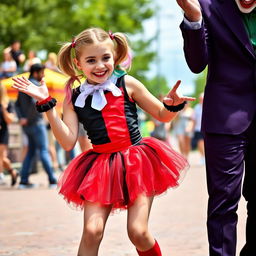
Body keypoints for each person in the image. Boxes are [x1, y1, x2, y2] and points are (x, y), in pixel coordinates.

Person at [12, 27, 195, 256]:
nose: (100, 66)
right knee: (92, 231)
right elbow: (68, 142)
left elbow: (162, 115)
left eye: (105, 58)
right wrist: (47, 105)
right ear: (78, 63)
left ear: (114, 56)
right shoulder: (74, 97)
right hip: (101, 167)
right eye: (91, 60)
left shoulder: (128, 83)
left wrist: (172, 105)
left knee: (138, 232)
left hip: (137, 161)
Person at [176, 0, 256, 255]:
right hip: (225, 118)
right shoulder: (208, 6)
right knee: (223, 203)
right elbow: (197, 63)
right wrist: (193, 16)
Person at [15, 63, 57, 189]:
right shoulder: (34, 85)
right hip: (36, 124)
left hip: (27, 126)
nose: (43, 75)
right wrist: (27, 118)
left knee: (31, 152)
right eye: (42, 72)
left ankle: (23, 181)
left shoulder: (24, 85)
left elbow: (17, 105)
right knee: (44, 150)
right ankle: (52, 180)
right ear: (35, 72)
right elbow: (36, 104)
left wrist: (22, 118)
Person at [0, 83, 18, 186]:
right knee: (1, 157)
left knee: (1, 156)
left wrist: (3, 108)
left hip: (3, 133)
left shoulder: (8, 103)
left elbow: (9, 120)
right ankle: (13, 171)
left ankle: (1, 175)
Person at [192, 92, 204, 165]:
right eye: (200, 98)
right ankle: (202, 157)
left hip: (207, 129)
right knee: (200, 143)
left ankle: (206, 156)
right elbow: (193, 119)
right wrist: (192, 128)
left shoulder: (210, 106)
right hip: (198, 128)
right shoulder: (196, 107)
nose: (201, 100)